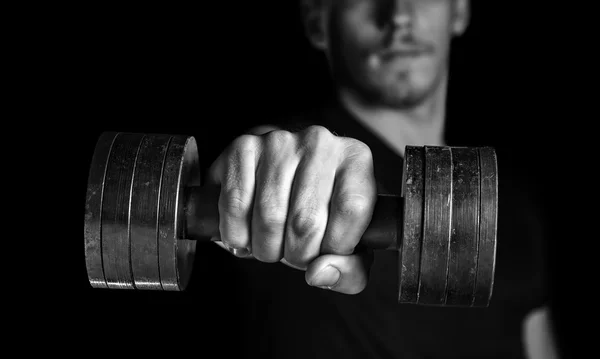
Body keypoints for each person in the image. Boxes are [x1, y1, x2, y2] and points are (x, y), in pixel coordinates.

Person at [197, 0, 556, 358]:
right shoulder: (297, 167)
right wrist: (260, 175)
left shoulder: (515, 209)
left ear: (459, 11)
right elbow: (273, 161)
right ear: (317, 23)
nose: (398, 16)